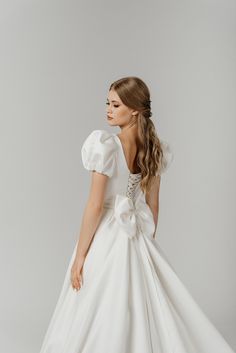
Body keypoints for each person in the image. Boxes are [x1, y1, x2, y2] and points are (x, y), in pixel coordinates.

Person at [39, 76, 235, 353]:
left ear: (134, 110)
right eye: (107, 103)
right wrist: (146, 241)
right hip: (136, 234)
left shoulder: (105, 145)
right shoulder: (153, 149)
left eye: (116, 104)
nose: (108, 109)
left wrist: (80, 256)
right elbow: (153, 207)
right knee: (138, 301)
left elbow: (95, 206)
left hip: (106, 233)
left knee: (98, 301)